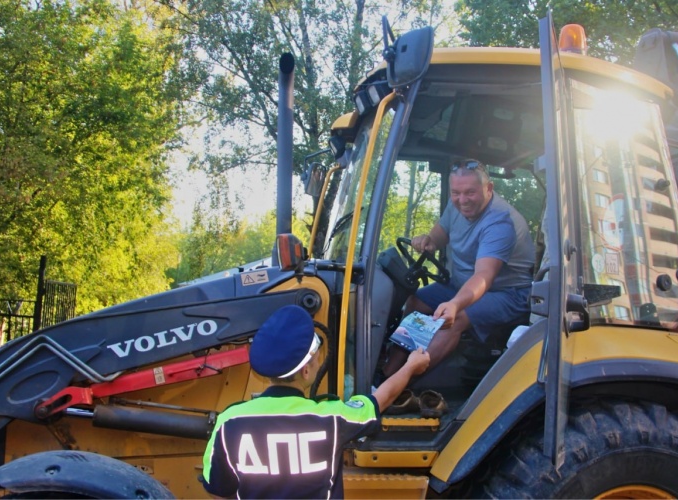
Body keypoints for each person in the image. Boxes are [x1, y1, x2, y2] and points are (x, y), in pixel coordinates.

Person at [201, 304, 429, 499]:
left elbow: (218, 490)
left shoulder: (229, 422)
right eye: (318, 359)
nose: (320, 361)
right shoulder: (332, 417)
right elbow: (381, 398)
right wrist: (410, 367)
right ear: (307, 372)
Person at [383, 158, 535, 378]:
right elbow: (440, 234)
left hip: (507, 294)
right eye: (456, 193)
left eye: (470, 193)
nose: (462, 200)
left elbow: (484, 276)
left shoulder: (500, 222)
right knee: (416, 301)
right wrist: (428, 240)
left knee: (455, 317)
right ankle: (387, 373)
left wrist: (454, 304)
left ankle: (401, 382)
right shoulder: (457, 205)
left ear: (489, 188)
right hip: (461, 283)